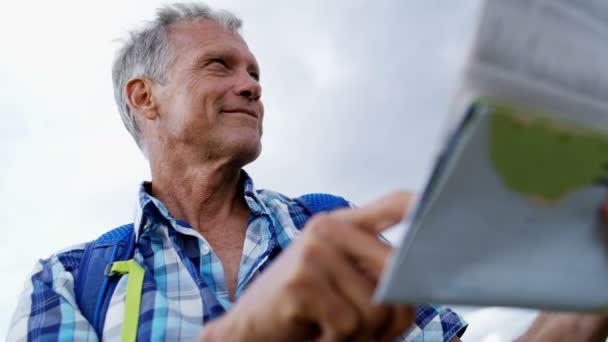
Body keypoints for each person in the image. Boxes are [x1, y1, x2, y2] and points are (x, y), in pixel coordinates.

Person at [7, 3, 467, 341]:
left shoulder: (332, 227)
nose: (251, 86)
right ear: (145, 97)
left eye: (253, 72)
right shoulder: (67, 281)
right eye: (218, 65)